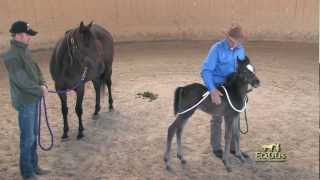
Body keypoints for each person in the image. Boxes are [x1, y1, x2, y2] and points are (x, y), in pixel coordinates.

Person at [3, 21, 50, 180]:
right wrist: (39, 90)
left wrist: (43, 83)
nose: (30, 38)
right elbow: (20, 80)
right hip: (25, 102)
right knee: (28, 137)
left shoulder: (26, 51)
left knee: (33, 135)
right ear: (19, 35)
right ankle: (27, 172)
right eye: (28, 35)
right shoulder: (11, 56)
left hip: (34, 98)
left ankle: (34, 165)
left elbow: (37, 70)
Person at [201, 24, 249, 159]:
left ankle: (234, 148)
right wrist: (212, 90)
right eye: (232, 41)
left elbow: (242, 69)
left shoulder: (241, 50)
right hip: (218, 86)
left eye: (237, 41)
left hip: (233, 88)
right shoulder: (216, 49)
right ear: (227, 37)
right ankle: (216, 147)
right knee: (217, 117)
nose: (235, 44)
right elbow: (206, 70)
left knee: (235, 117)